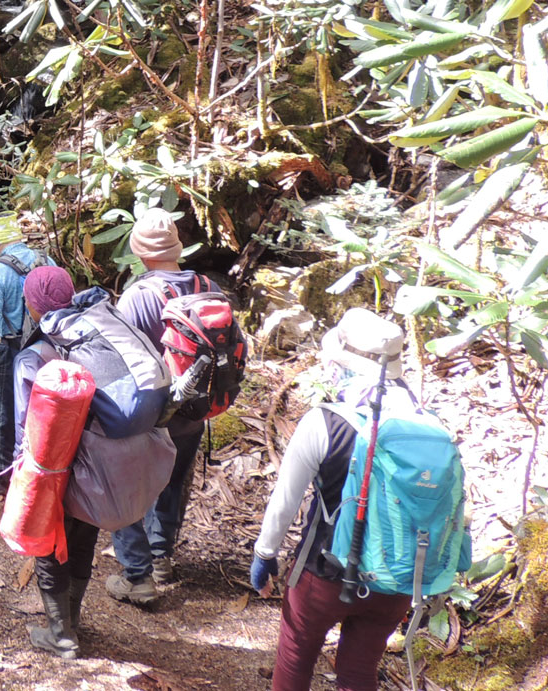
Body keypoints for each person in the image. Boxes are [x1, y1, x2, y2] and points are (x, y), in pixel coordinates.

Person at [250, 308, 418, 691]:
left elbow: (285, 500)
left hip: (323, 575)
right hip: (395, 581)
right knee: (358, 675)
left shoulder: (324, 422)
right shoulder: (425, 424)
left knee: (294, 662)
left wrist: (264, 555)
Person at [105, 208, 222, 605]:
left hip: (156, 408)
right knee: (174, 481)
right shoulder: (208, 285)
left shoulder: (140, 294)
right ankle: (162, 556)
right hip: (196, 406)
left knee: (133, 481)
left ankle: (137, 571)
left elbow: (119, 353)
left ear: (140, 252)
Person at [7, 266, 88, 658]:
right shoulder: (94, 334)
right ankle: (74, 619)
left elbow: (26, 425)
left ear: (33, 306)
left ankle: (62, 635)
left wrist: (17, 476)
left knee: (48, 545)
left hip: (54, 466)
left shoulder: (31, 357)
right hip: (94, 463)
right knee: (83, 540)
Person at [0, 211, 54, 496]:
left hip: (12, 349)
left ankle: (4, 477)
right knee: (45, 407)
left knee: (2, 413)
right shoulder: (47, 261)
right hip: (49, 346)